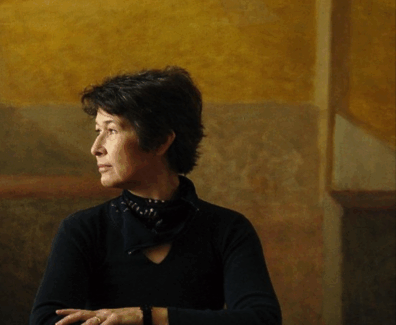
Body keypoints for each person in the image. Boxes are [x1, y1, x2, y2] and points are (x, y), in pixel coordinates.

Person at [29, 67, 281, 325]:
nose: (96, 148)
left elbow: (262, 319)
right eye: (97, 131)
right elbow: (45, 321)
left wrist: (147, 316)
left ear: (160, 141)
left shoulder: (228, 229)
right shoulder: (82, 229)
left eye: (111, 130)